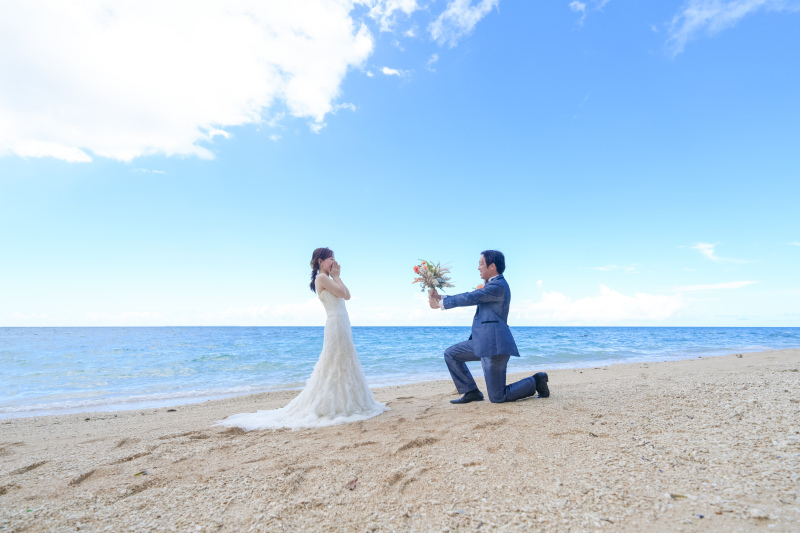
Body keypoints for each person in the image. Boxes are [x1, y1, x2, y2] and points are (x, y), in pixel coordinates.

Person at [218, 247, 388, 430]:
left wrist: (337, 277)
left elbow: (347, 295)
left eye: (334, 258)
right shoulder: (322, 278)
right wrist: (337, 276)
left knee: (345, 362)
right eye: (330, 258)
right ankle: (332, 405)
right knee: (334, 363)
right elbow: (344, 295)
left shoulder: (330, 279)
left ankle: (348, 402)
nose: (334, 261)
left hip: (343, 324)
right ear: (320, 261)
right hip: (335, 325)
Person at [428, 250, 550, 404]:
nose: (478, 267)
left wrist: (441, 304)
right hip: (482, 343)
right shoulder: (491, 285)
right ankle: (471, 392)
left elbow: (471, 297)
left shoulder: (498, 285)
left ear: (492, 266)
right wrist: (440, 297)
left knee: (498, 397)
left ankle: (536, 380)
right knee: (451, 354)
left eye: (481, 264)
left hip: (495, 347)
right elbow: (471, 295)